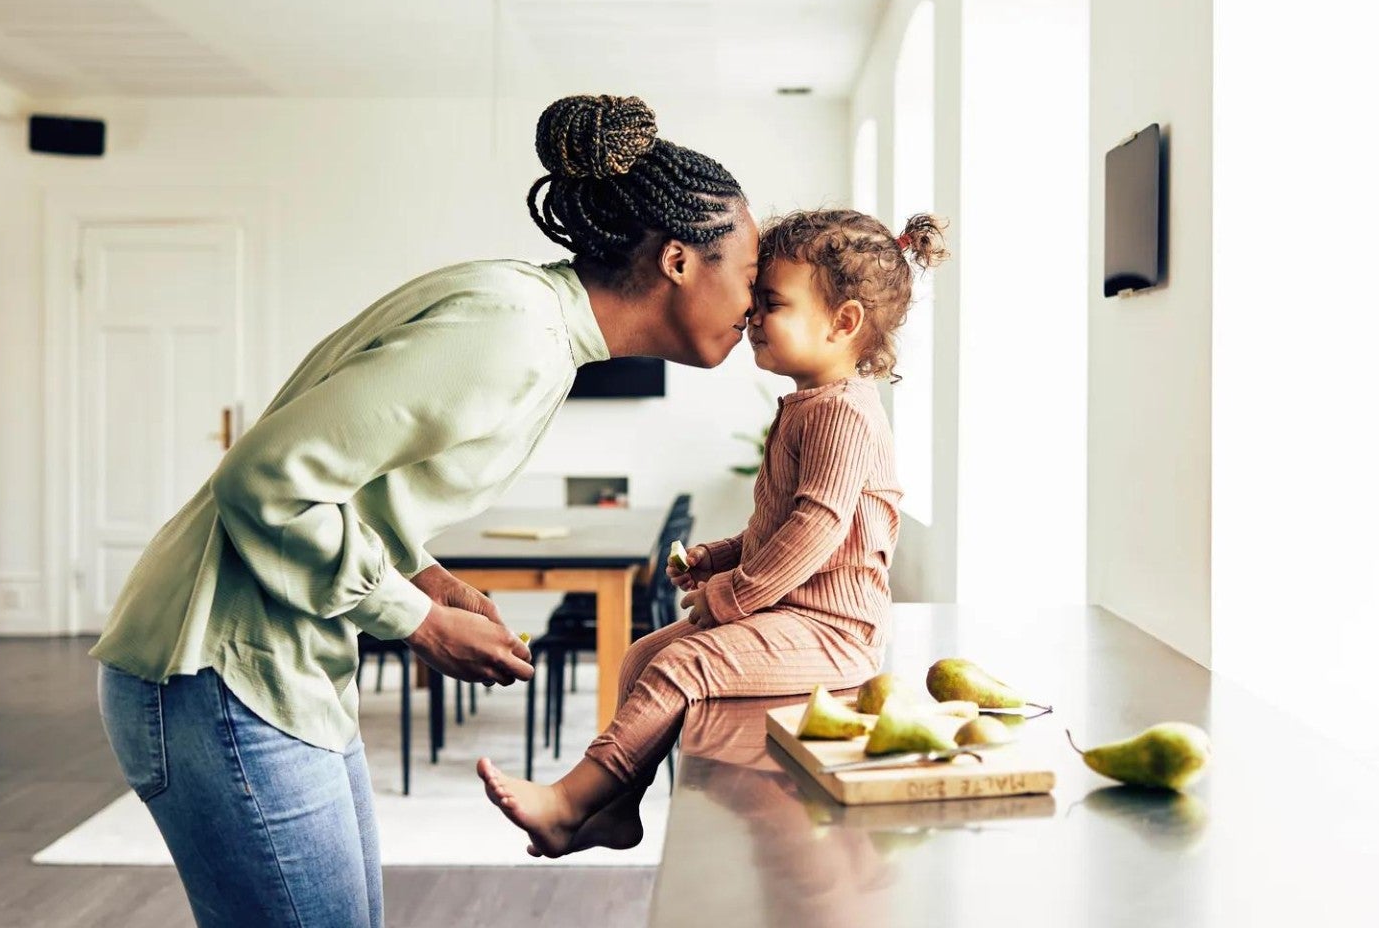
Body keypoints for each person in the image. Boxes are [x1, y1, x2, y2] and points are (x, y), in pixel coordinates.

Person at [90, 94, 760, 928]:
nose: (757, 305)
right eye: (750, 273)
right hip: (219, 671)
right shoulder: (513, 333)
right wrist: (415, 621)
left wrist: (428, 578)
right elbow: (263, 480)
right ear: (678, 261)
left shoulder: (534, 326)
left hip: (271, 666)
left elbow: (350, 486)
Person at [478, 206, 950, 858]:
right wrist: (720, 555)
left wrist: (735, 592)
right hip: (791, 615)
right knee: (643, 656)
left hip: (835, 633)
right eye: (755, 301)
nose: (752, 316)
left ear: (843, 323)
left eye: (772, 304)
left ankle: (569, 802)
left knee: (680, 666)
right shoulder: (811, 406)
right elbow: (783, 525)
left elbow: (816, 528)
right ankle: (618, 809)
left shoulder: (843, 414)